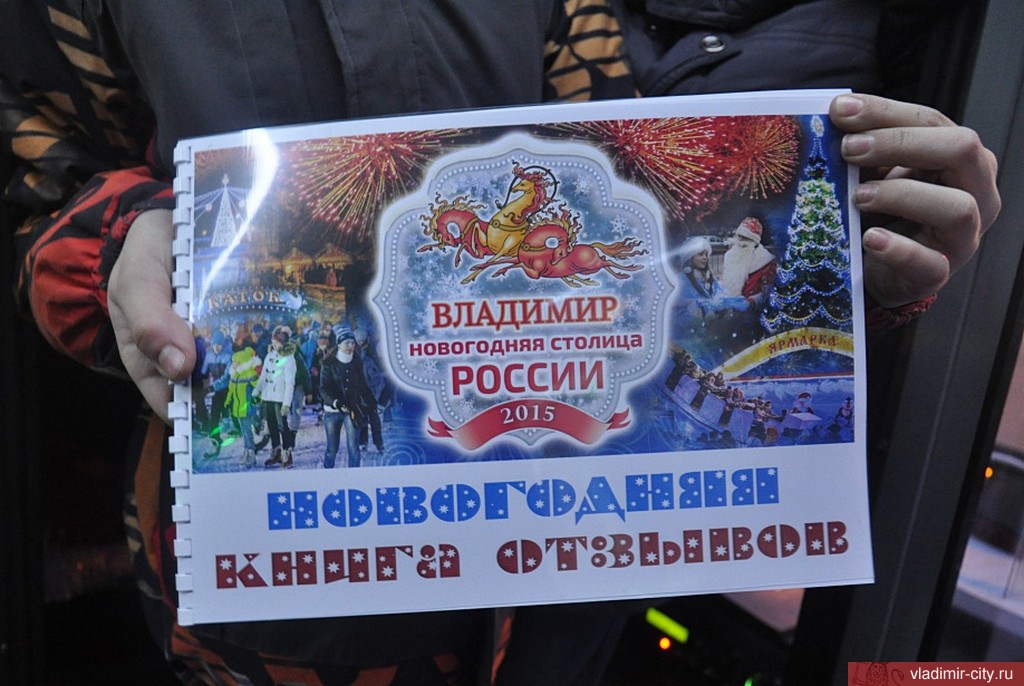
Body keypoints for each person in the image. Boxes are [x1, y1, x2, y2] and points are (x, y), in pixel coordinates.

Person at [0, 1, 1002, 683]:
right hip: (274, 600)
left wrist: (839, 270)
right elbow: (35, 157)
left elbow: (624, 169)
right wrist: (117, 238)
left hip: (567, 575)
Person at [319, 327, 376, 469]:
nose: (350, 346)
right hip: (332, 411)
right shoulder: (329, 363)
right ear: (339, 345)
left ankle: (353, 477)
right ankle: (327, 474)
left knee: (354, 448)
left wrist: (372, 403)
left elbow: (362, 385)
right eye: (347, 343)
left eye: (352, 343)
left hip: (352, 410)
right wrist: (335, 402)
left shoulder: (357, 361)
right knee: (332, 449)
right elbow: (323, 389)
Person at [254, 325, 298, 468]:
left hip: (280, 398)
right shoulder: (269, 356)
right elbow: (263, 376)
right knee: (271, 425)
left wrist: (286, 403)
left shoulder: (289, 359)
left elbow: (290, 382)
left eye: (277, 343)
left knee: (282, 426)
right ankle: (276, 450)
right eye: (273, 342)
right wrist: (257, 391)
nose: (274, 345)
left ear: (283, 343)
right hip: (268, 397)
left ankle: (287, 453)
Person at [720, 217, 778, 308]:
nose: (740, 242)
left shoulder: (767, 262)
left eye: (745, 238)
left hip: (751, 312)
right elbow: (724, 282)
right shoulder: (730, 257)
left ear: (754, 242)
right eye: (739, 237)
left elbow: (770, 292)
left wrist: (751, 302)